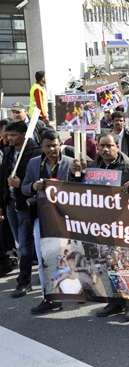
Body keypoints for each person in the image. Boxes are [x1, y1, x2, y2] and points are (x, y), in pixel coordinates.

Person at [71, 132, 129, 321]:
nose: (105, 150)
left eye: (109, 146)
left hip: (123, 223)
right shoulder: (93, 165)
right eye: (101, 147)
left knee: (124, 263)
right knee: (107, 263)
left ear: (117, 147)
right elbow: (79, 189)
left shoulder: (128, 166)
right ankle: (114, 302)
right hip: (101, 225)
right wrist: (75, 174)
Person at [21, 130, 75, 314]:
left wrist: (77, 174)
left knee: (68, 257)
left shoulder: (71, 162)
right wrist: (32, 187)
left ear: (60, 144)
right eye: (47, 146)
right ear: (41, 147)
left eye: (54, 145)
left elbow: (82, 187)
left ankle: (74, 292)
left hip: (66, 219)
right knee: (45, 257)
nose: (52, 149)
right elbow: (24, 187)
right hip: (41, 218)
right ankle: (49, 297)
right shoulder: (34, 163)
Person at [0, 120, 41, 298]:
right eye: (8, 135)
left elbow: (38, 179)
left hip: (24, 203)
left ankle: (24, 282)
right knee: (20, 241)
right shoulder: (8, 151)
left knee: (24, 244)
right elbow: (2, 177)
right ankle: (37, 265)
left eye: (13, 135)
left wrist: (20, 183)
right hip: (9, 202)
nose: (9, 138)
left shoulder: (35, 153)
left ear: (24, 135)